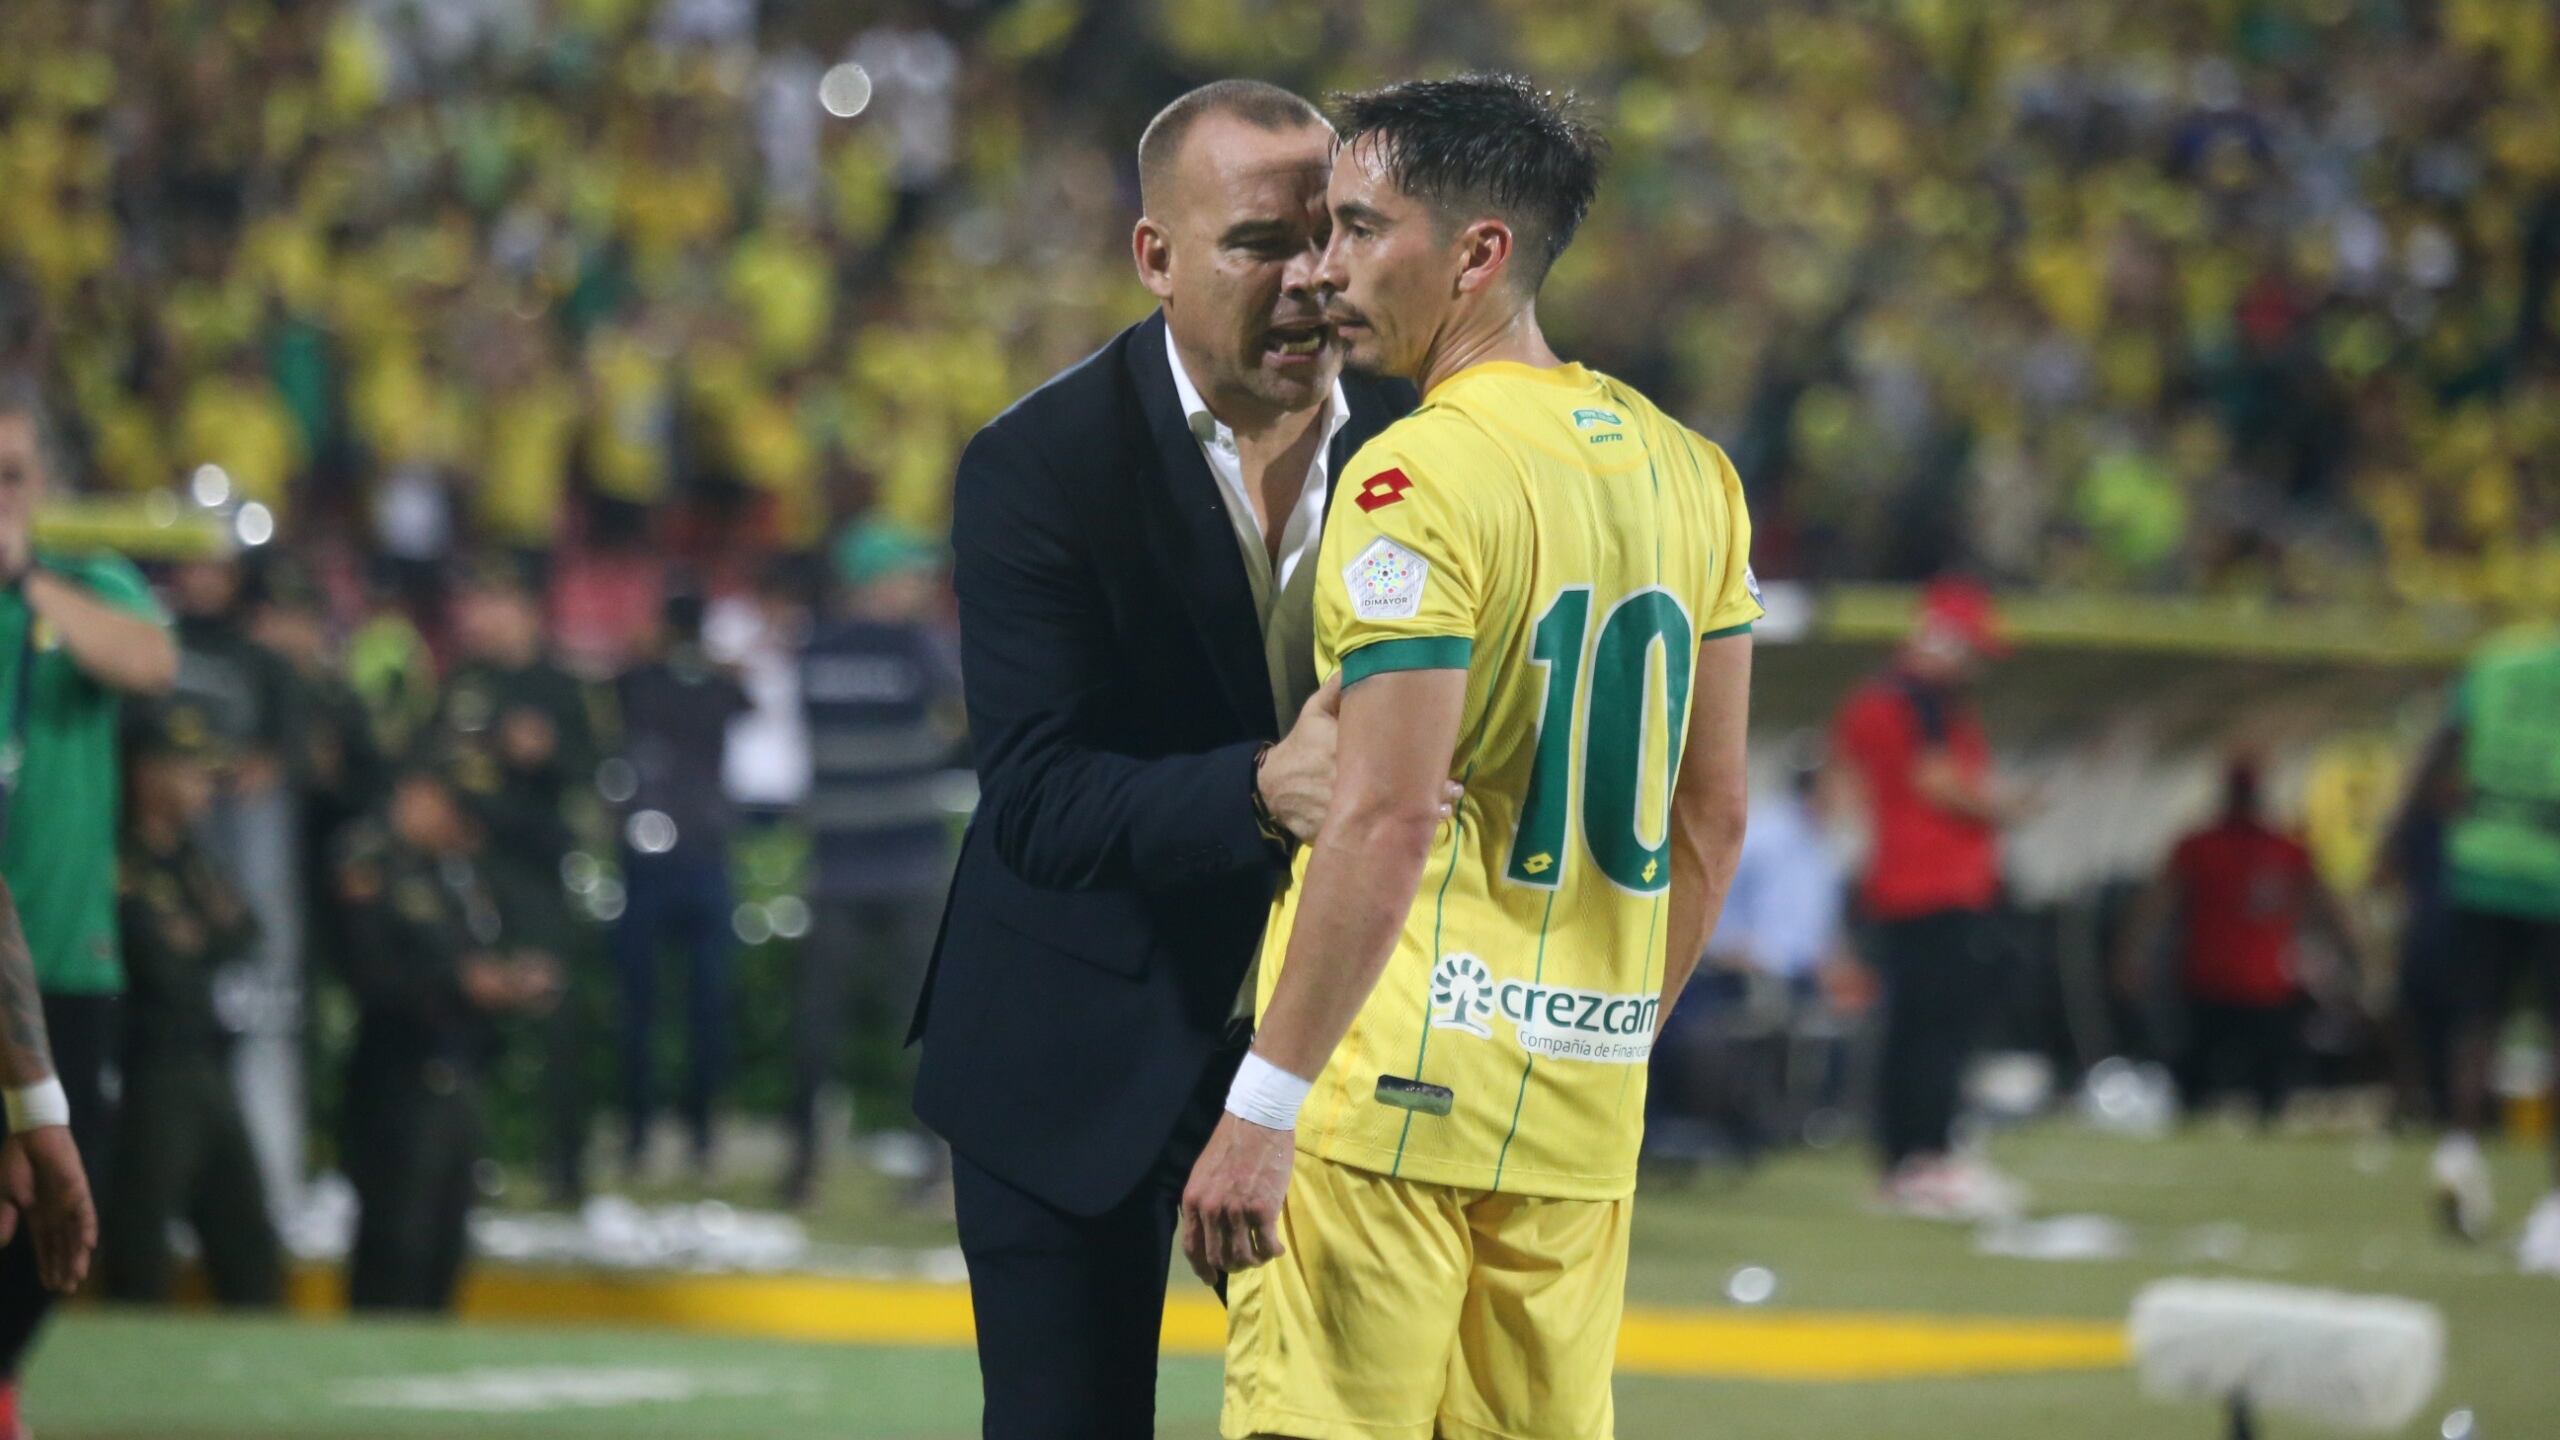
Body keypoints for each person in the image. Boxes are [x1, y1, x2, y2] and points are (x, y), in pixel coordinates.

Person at [1179, 76, 1758, 1440]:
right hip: (1578, 1116)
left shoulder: (1411, 480)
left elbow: (1379, 816)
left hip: (1387, 1102)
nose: (1324, 267)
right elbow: (1712, 816)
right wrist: (1604, 1039)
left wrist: (1263, 1104)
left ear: (1479, 254)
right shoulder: (1697, 476)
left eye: (1362, 228)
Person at [911, 80, 1414, 1438]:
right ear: (1157, 257)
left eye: (1341, 234)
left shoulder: (1427, 446)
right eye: (1265, 241)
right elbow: (1036, 798)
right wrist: (1265, 788)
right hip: (1069, 1039)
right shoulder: (1040, 464)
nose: (1316, 276)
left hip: (1332, 1044)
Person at [0, 376, 175, 1419]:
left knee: (60, 1208)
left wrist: (29, 585)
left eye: (12, 475)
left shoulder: (86, 581)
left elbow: (150, 661)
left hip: (60, 957)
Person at [1828, 576, 2032, 1220]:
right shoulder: (1918, 702)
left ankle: (1909, 1161)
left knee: (1912, 1031)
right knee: (1937, 1033)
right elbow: (1937, 784)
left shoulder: (1877, 702)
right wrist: (2006, 806)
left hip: (1901, 887)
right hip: (1935, 889)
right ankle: (1928, 1157)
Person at [334, 762, 562, 1312]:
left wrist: (507, 979)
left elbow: (473, 949)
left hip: (459, 1070)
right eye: (450, 806)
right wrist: (460, 984)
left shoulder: (449, 874)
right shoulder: (370, 864)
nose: (461, 824)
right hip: (397, 1072)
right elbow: (370, 972)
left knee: (446, 1233)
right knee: (396, 1236)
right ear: (418, 793)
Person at [783, 522, 960, 1208]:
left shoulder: (812, 648)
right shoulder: (920, 647)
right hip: (909, 861)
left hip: (836, 863)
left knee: (815, 1025)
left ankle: (802, 1168)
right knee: (921, 1024)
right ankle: (930, 1169)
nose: (920, 587)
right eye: (908, 576)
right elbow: (965, 710)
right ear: (872, 583)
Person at [98, 698, 284, 1305]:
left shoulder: (192, 857)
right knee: (141, 1239)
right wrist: (203, 937)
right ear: (148, 773)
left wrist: (197, 937)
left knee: (249, 1241)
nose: (205, 785)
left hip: (207, 1063)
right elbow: (159, 964)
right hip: (148, 1070)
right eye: (190, 769)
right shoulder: (117, 855)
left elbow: (248, 931)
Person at [435, 554, 601, 1203]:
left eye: (491, 599)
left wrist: (548, 754)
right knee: (466, 1014)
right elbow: (433, 755)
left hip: (533, 871)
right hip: (468, 870)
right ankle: (468, 1163)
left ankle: (566, 1167)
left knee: (554, 1015)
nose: (476, 614)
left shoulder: (561, 686)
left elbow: (595, 773)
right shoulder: (463, 681)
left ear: (526, 608)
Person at [2409, 624, 2560, 1267]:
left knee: (2477, 1024)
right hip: (2553, 873)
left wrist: (2420, 832)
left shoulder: (2495, 664)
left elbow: (2438, 764)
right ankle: (2556, 1207)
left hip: (2481, 865)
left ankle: (2460, 1149)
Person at [2114, 758, 2361, 1127]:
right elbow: (2158, 903)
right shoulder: (2218, 847)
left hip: (2253, 983)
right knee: (2209, 1082)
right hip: (2224, 981)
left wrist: (2131, 952)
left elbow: (2326, 906)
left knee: (2255, 1085)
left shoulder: (2264, 849)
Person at [608, 587, 748, 1180]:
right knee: (681, 1008)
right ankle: (679, 1134)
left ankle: (666, 1133)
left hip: (679, 859)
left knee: (675, 1008)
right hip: (682, 859)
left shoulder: (648, 682)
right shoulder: (691, 683)